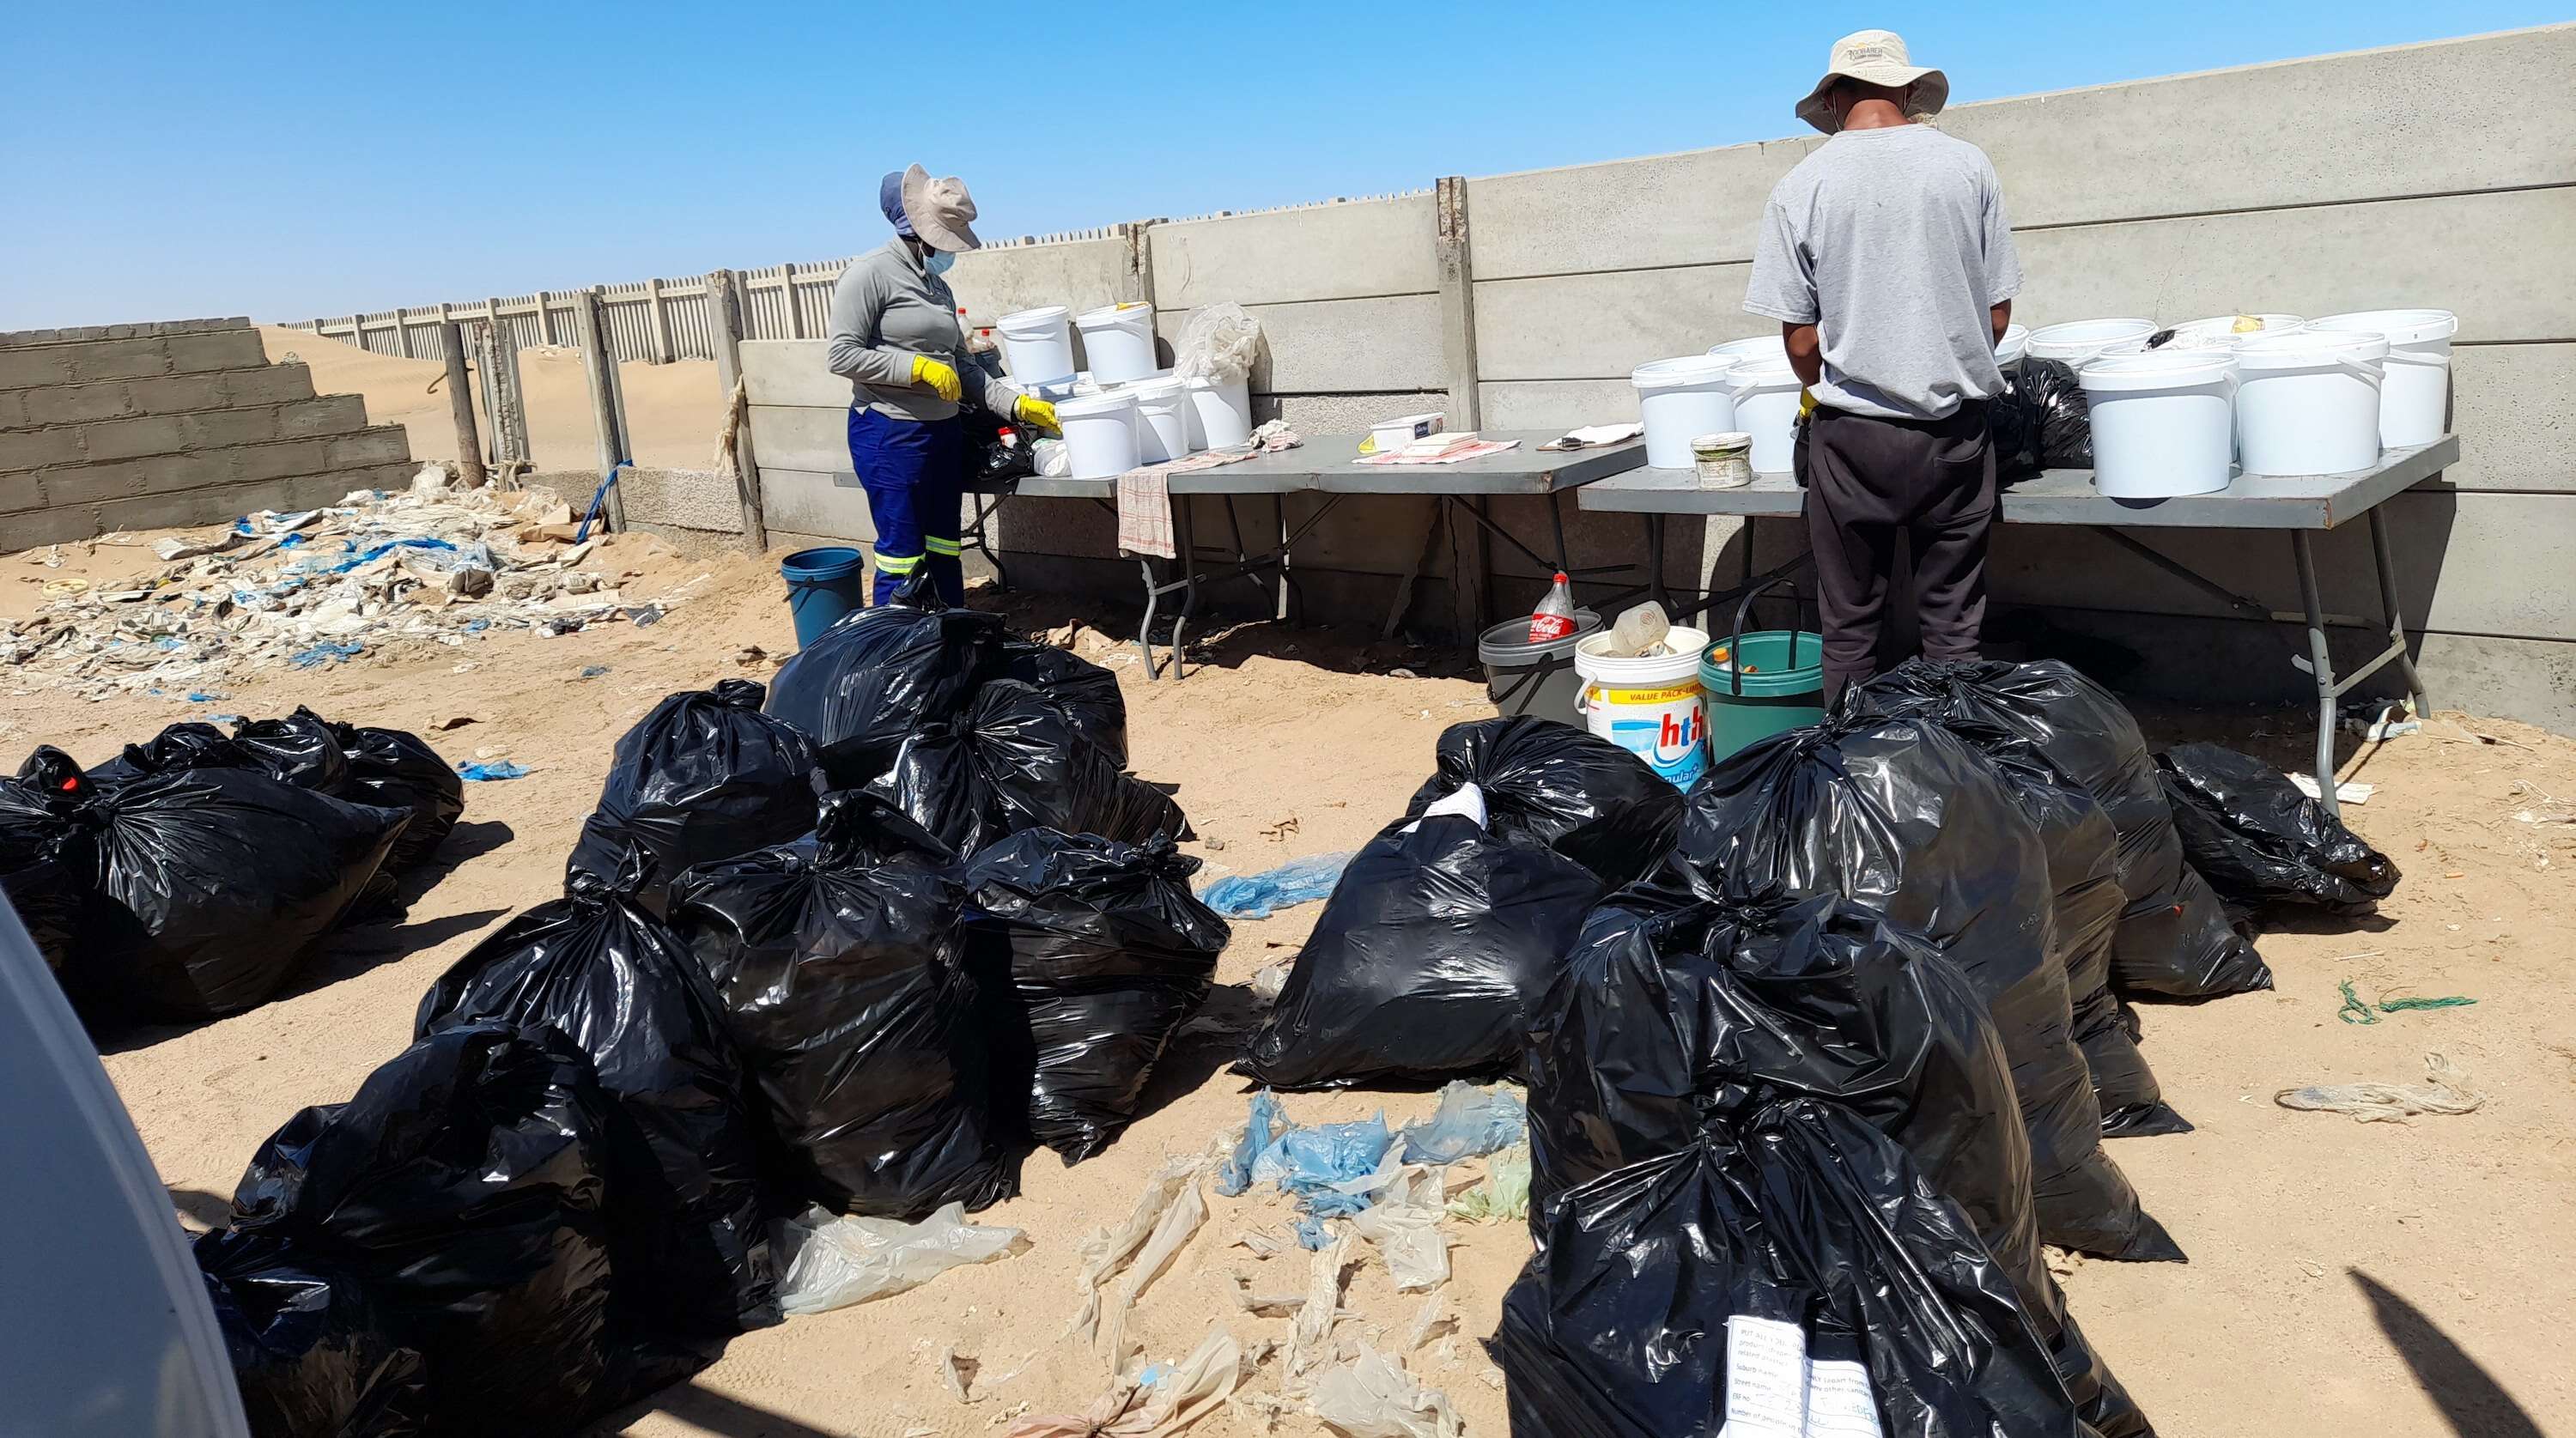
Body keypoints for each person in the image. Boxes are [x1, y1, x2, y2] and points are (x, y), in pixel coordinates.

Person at [1743, 30, 2023, 704]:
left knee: (1848, 630)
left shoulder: (1800, 186)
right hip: (1954, 437)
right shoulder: (1968, 167)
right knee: (1954, 627)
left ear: (1835, 98)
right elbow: (1997, 318)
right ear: (1905, 90)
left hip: (1851, 444)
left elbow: (1801, 342)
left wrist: (1833, 380)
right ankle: (1954, 772)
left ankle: (1853, 782)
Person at [827, 165, 1059, 605]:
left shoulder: (937, 287)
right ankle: (896, 654)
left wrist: (1016, 405)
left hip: (943, 434)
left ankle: (949, 639)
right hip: (891, 433)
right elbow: (842, 355)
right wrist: (915, 368)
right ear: (919, 230)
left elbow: (965, 369)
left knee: (944, 548)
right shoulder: (869, 275)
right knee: (903, 558)